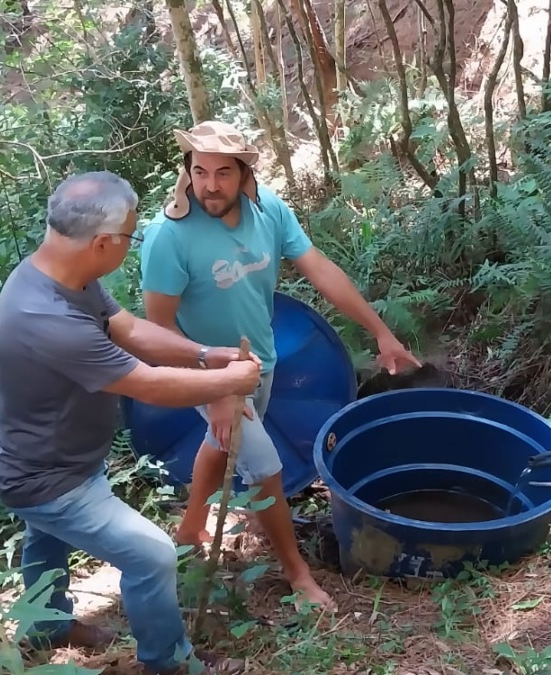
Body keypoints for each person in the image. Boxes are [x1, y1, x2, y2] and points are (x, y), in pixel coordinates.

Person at [0, 170, 261, 675]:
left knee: (45, 540)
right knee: (151, 555)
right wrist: (231, 382)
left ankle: (46, 627)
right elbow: (147, 384)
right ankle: (168, 661)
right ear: (103, 242)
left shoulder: (65, 275)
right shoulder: (46, 317)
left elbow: (128, 329)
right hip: (46, 478)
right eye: (130, 236)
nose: (130, 245)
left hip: (52, 455)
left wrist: (206, 356)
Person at [139, 120, 422, 610]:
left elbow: (321, 270)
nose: (209, 185)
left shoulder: (269, 210)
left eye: (223, 173)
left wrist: (382, 332)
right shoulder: (170, 235)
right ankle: (298, 575)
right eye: (199, 171)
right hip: (207, 375)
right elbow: (159, 328)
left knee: (219, 442)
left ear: (245, 174)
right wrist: (218, 389)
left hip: (260, 364)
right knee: (265, 467)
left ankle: (190, 529)